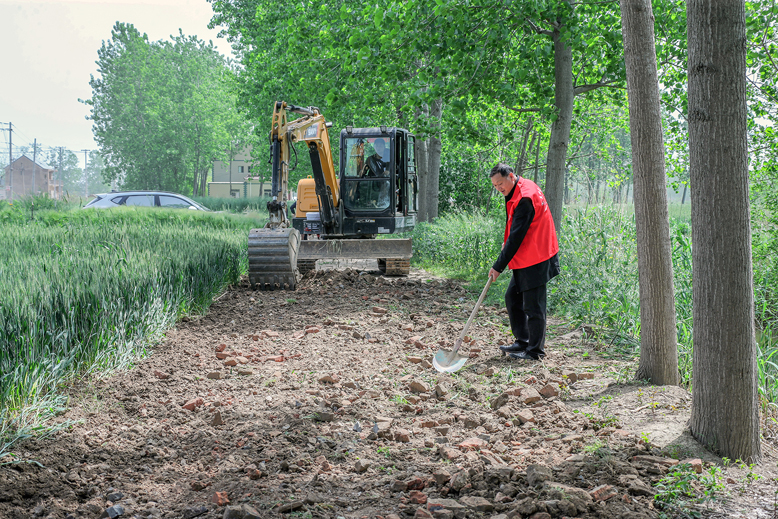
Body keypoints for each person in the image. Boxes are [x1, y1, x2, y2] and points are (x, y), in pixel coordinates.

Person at [487, 163, 560, 361]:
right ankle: (523, 340)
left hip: (538, 255)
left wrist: (498, 266)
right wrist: (507, 242)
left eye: (500, 183)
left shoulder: (526, 198)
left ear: (511, 176)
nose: (499, 188)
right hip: (526, 254)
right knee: (513, 298)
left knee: (533, 306)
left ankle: (535, 351)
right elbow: (516, 228)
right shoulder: (519, 188)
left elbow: (517, 237)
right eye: (495, 186)